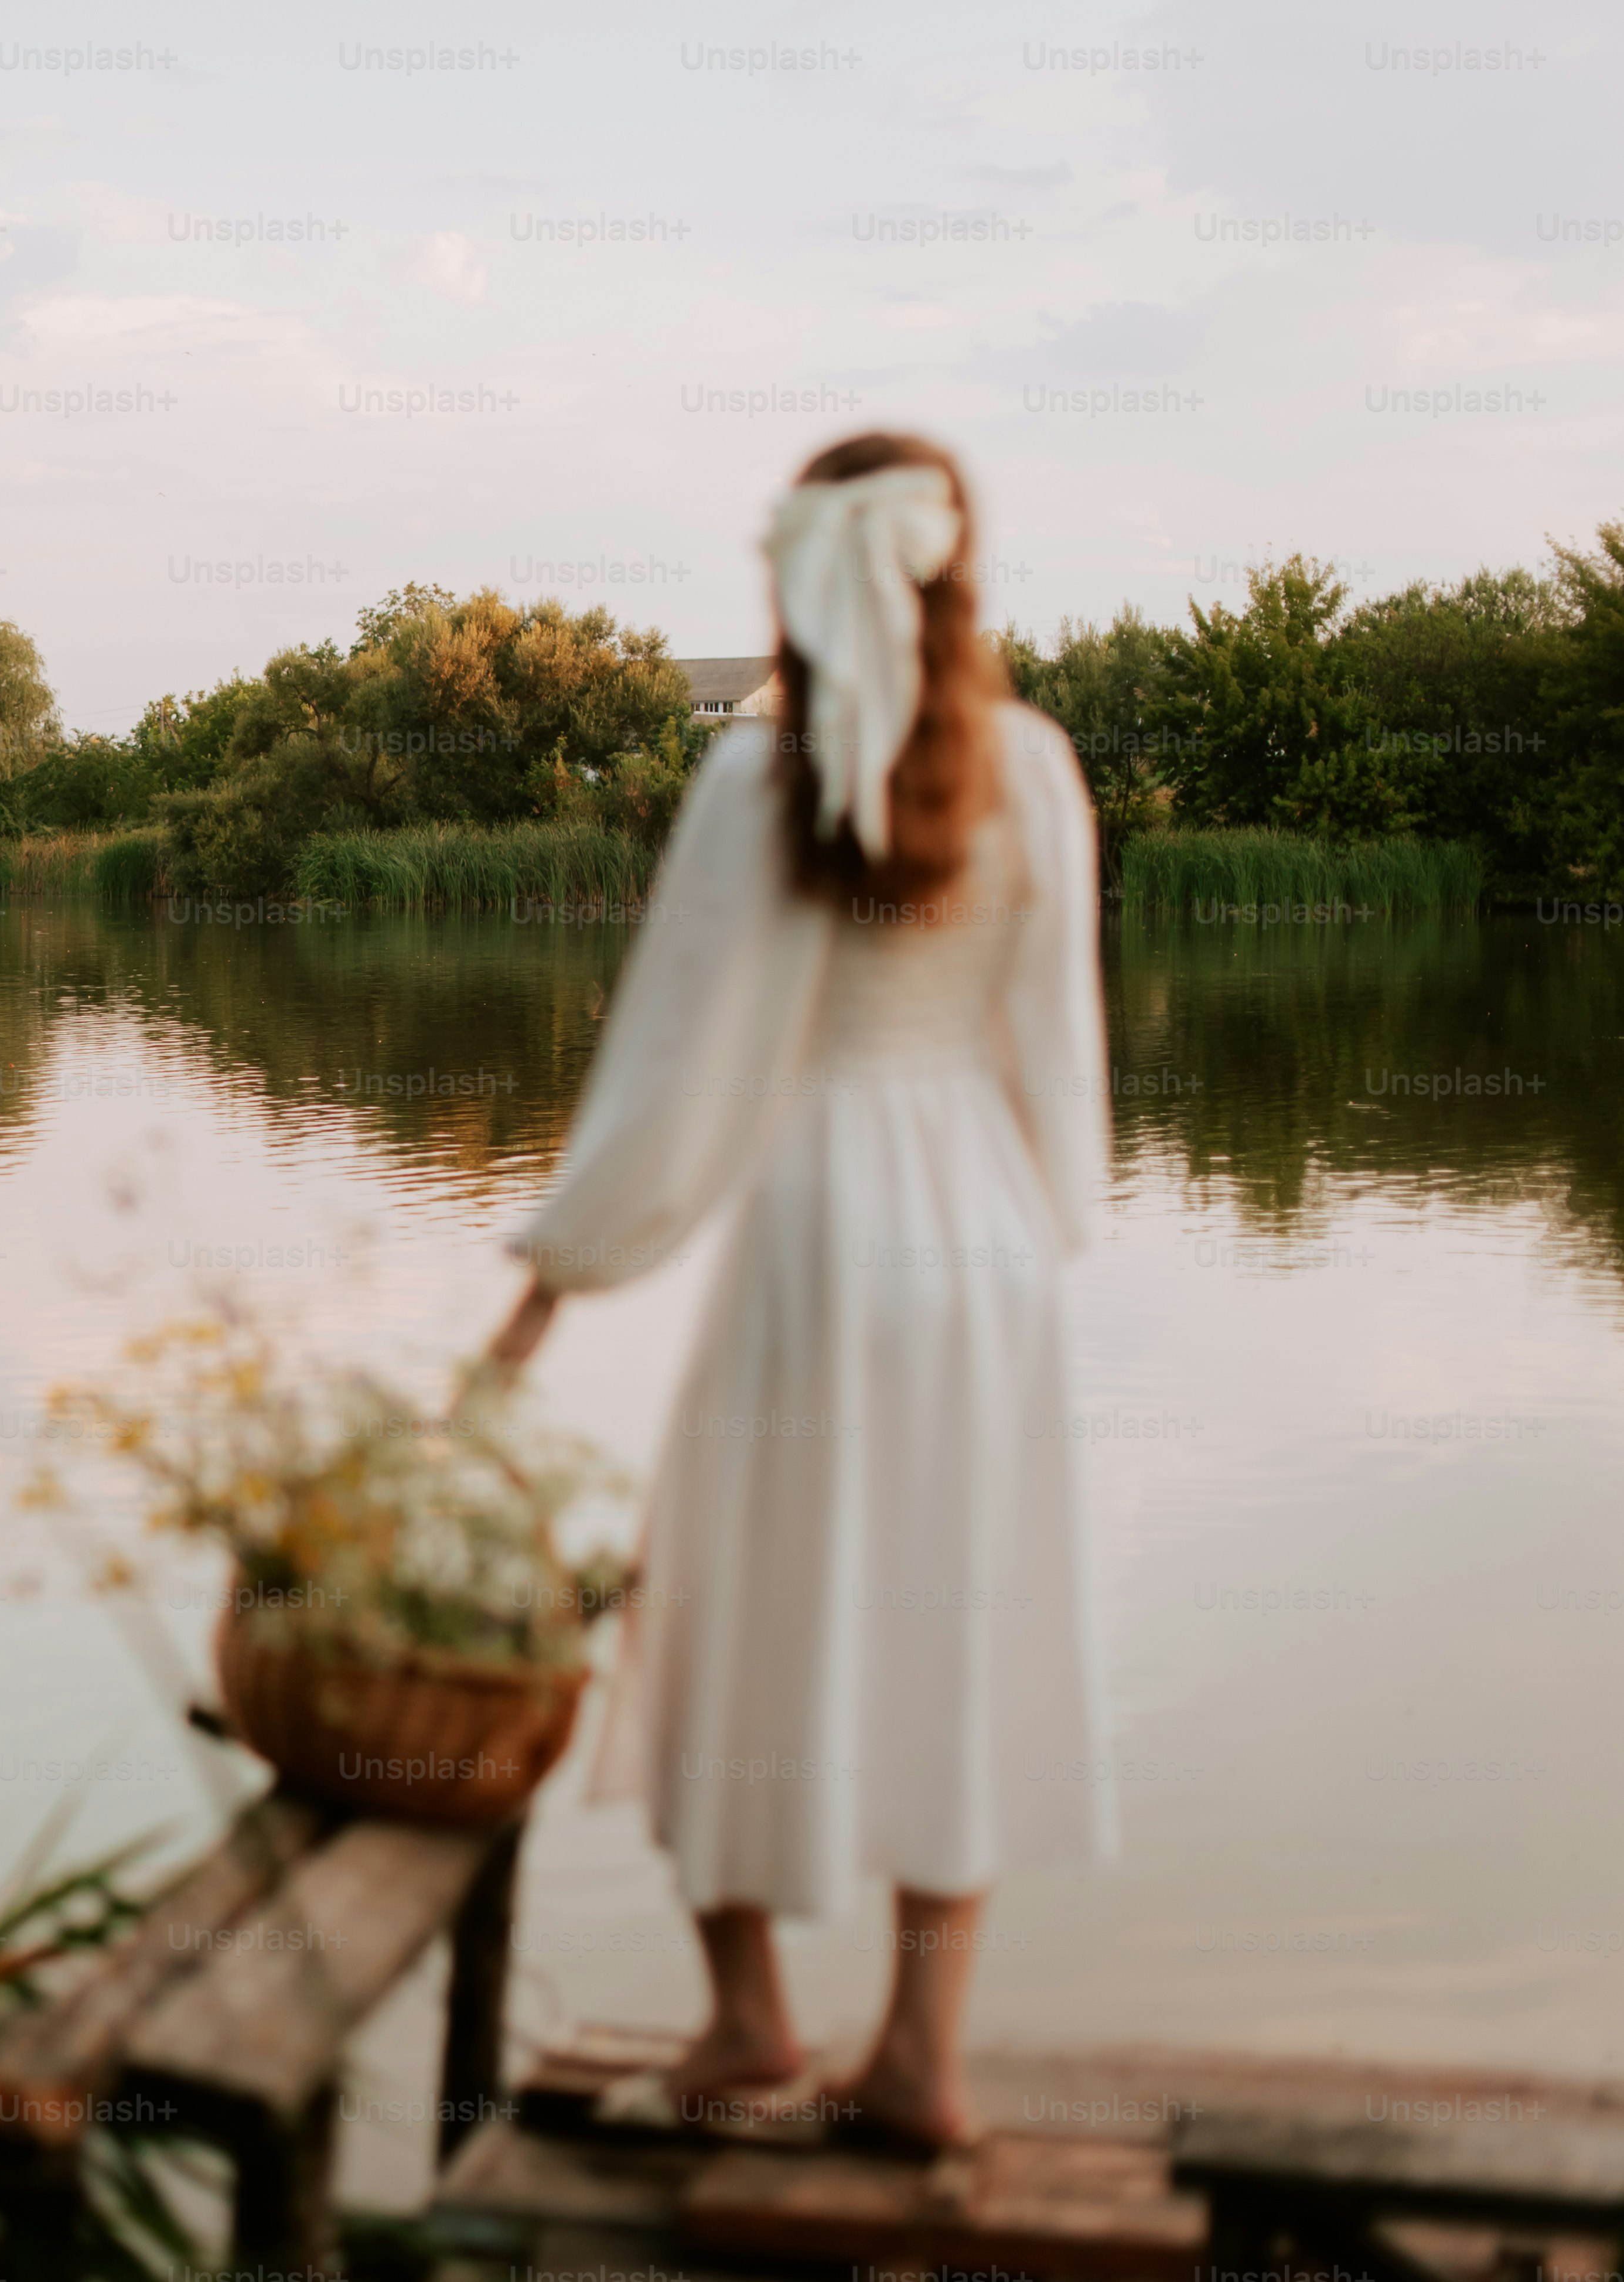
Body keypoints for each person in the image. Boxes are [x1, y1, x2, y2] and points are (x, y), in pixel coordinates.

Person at [485, 432, 1111, 2153]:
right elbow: (1059, 1064)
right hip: (979, 1240)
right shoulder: (1036, 771)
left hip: (817, 1228)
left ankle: (750, 2016)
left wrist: (550, 1287)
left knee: (723, 1599)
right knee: (957, 1616)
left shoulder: (752, 786)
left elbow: (675, 1077)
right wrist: (1039, 1232)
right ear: (951, 573)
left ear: (793, 574)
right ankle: (920, 2054)